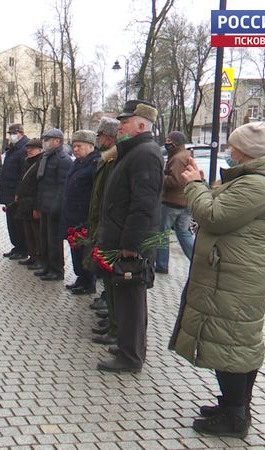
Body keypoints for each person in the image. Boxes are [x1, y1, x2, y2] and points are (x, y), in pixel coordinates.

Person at [170, 121, 265, 438]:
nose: (229, 150)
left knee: (230, 343)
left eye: (234, 145)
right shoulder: (256, 179)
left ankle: (235, 416)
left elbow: (214, 215)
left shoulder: (258, 184)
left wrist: (193, 185)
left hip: (235, 276)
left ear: (248, 151)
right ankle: (233, 405)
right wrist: (202, 184)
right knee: (231, 341)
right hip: (232, 272)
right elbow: (222, 208)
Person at [96, 100, 164, 374]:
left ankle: (131, 356)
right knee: (125, 298)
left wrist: (131, 246)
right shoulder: (133, 151)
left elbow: (143, 204)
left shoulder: (145, 153)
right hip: (123, 239)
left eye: (124, 122)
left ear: (140, 125)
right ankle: (127, 346)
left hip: (132, 244)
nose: (119, 126)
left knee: (132, 301)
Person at [86, 118, 120, 346]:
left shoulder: (114, 160)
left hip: (110, 228)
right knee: (108, 280)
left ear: (108, 137)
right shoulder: (106, 160)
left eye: (99, 136)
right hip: (101, 224)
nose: (97, 140)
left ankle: (116, 326)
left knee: (113, 281)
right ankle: (112, 321)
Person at [60, 130, 100, 294]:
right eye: (74, 146)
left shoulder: (94, 163)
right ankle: (80, 278)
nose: (75, 149)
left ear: (90, 146)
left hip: (84, 217)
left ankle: (89, 282)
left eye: (79, 146)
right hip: (72, 216)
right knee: (75, 250)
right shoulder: (77, 163)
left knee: (85, 251)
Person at [33, 128, 71, 281]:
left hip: (54, 208)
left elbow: (62, 186)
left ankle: (56, 270)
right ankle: (47, 265)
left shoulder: (63, 159)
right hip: (45, 205)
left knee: (54, 241)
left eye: (48, 139)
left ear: (57, 141)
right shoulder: (47, 157)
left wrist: (55, 207)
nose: (45, 142)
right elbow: (42, 184)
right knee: (45, 239)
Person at [156, 130, 194, 274]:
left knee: (162, 234)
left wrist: (161, 177)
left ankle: (161, 264)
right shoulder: (186, 155)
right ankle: (195, 261)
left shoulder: (177, 158)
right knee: (184, 233)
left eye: (169, 142)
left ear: (176, 143)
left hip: (172, 202)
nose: (166, 144)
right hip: (185, 201)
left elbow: (176, 181)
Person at [0, 124, 29, 259]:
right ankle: (16, 246)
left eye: (13, 133)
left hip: (16, 193)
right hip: (8, 192)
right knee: (11, 222)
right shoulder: (13, 148)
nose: (11, 136)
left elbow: (23, 173)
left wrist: (18, 192)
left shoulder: (24, 148)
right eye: (10, 133)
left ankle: (23, 249)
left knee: (18, 223)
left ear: (21, 133)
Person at [15, 139, 44, 269]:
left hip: (33, 203)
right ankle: (32, 256)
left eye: (33, 148)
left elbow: (39, 186)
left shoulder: (40, 163)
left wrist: (36, 206)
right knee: (29, 233)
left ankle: (39, 258)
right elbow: (23, 180)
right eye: (28, 148)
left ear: (40, 150)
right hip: (25, 203)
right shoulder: (28, 162)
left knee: (36, 233)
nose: (29, 150)